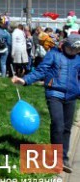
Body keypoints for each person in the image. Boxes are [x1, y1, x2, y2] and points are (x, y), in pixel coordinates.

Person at [13, 34, 80, 174]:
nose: (74, 52)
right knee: (58, 124)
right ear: (65, 45)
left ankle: (64, 158)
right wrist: (25, 80)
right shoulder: (53, 55)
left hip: (72, 96)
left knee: (67, 128)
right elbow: (41, 70)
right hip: (54, 93)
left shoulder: (78, 59)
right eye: (72, 49)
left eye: (77, 50)